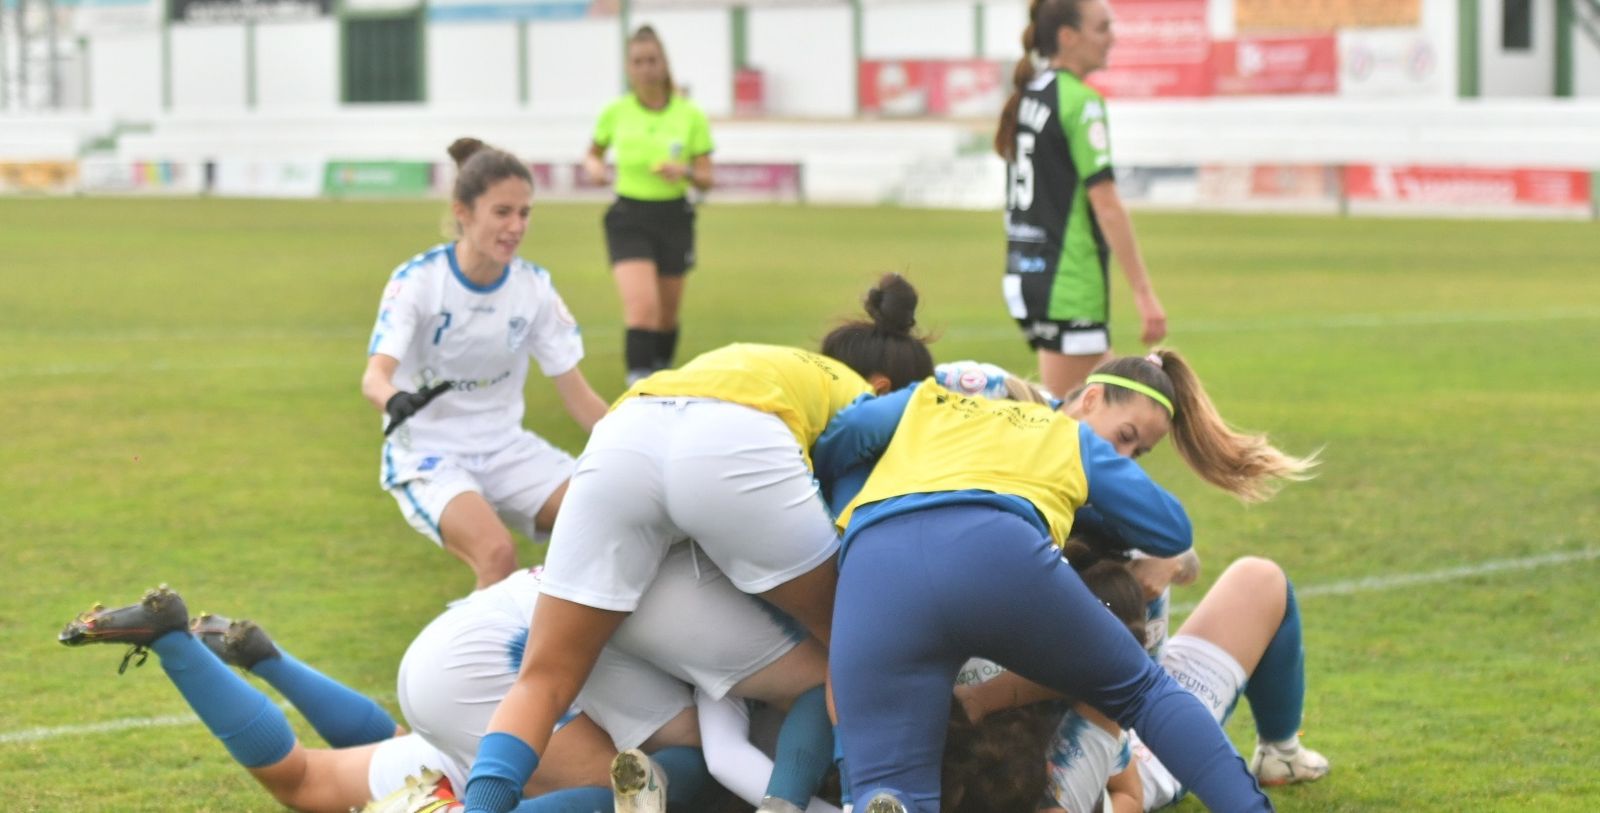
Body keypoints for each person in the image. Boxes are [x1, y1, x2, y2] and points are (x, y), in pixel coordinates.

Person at [461, 278, 935, 813]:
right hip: (738, 446)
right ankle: (849, 800)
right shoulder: (868, 402)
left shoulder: (767, 362)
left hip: (624, 435)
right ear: (884, 385)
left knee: (544, 681)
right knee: (853, 653)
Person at [808, 354, 1315, 811]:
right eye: (1127, 439)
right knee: (1143, 691)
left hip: (874, 564)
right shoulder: (1063, 436)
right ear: (1090, 398)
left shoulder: (928, 399)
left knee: (887, 792)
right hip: (994, 552)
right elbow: (1173, 529)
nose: (1126, 453)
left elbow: (843, 437)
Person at [55, 581, 709, 813]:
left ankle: (256, 658)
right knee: (303, 781)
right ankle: (179, 642)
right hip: (558, 722)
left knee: (349, 763)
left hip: (505, 676)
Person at [362, 137, 608, 589]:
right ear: (463, 212)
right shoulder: (418, 280)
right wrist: (394, 399)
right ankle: (469, 660)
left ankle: (566, 649)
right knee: (497, 554)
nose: (516, 226)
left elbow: (580, 397)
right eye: (502, 212)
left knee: (608, 517)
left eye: (524, 213)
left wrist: (642, 443)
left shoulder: (533, 288)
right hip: (429, 453)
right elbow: (375, 377)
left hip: (505, 448)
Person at [952, 552, 1330, 811]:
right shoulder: (1069, 781)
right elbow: (1110, 683)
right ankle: (1281, 754)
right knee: (1258, 580)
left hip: (1082, 699)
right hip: (1135, 737)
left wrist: (979, 698)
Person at [995, 0, 1167, 398]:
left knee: (1112, 413)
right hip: (1067, 284)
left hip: (1028, 271)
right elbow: (1106, 204)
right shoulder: (1081, 102)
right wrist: (1144, 293)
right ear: (1068, 37)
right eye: (1103, 28)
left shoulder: (1029, 94)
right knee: (1071, 428)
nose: (1113, 38)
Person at [584, 25, 714, 385]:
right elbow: (593, 155)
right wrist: (594, 169)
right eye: (638, 61)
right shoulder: (616, 112)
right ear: (629, 68)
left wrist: (684, 170)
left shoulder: (690, 115)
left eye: (652, 60)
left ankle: (661, 377)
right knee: (642, 308)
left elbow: (706, 176)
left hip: (674, 217)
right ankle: (638, 383)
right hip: (628, 216)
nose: (646, 68)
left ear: (664, 63)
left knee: (666, 316)